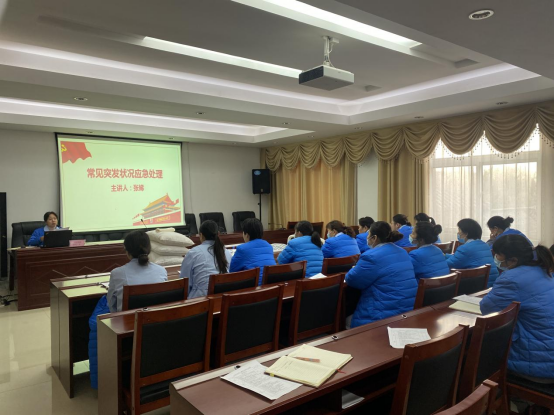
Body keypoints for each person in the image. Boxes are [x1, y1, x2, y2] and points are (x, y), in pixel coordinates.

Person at [481, 235, 554, 385]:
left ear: (513, 260)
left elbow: (487, 309)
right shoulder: (544, 268)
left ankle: (484, 393)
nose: (495, 259)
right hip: (546, 352)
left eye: (498, 255)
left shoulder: (511, 279)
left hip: (538, 363)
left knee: (474, 348)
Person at [345, 221, 417, 328]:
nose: (367, 237)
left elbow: (352, 280)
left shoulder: (370, 256)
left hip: (381, 316)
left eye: (368, 235)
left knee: (345, 319)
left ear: (374, 238)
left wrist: (354, 269)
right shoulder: (402, 251)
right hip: (406, 311)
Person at [106, 231, 168, 313]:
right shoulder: (161, 271)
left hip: (127, 320)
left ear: (127, 251)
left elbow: (111, 304)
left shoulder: (116, 273)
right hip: (157, 319)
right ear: (149, 249)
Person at [180, 220, 232, 299]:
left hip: (200, 300)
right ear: (218, 234)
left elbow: (184, 283)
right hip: (222, 298)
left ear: (201, 235)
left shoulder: (193, 253)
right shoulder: (226, 252)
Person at [446, 219, 500, 287]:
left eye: (459, 230)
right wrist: (446, 256)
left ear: (466, 234)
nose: (458, 233)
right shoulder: (484, 245)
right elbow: (460, 258)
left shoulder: (465, 248)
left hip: (478, 286)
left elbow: (448, 265)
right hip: (491, 283)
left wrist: (440, 258)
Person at [230, 218, 276, 285]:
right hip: (271, 286)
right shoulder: (269, 246)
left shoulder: (242, 249)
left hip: (254, 288)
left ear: (247, 235)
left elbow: (232, 272)